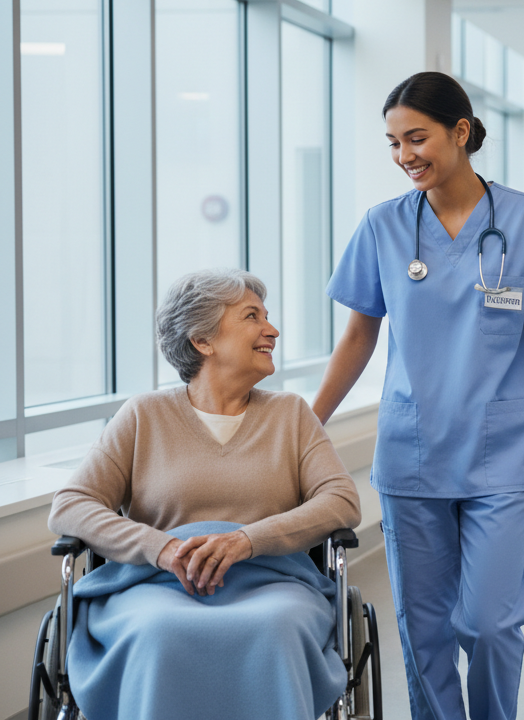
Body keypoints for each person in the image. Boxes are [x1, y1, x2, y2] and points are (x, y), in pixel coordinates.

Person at [314, 71, 524, 720]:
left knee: (490, 623)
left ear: (460, 133)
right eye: (392, 143)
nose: (405, 155)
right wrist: (304, 422)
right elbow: (358, 337)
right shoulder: (383, 227)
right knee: (425, 629)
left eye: (417, 137)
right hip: (413, 454)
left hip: (506, 453)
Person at [48, 269, 362, 720]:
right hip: (154, 584)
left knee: (275, 628)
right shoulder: (144, 416)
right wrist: (163, 548)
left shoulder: (290, 414)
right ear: (202, 341)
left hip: (271, 580)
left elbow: (340, 500)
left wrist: (246, 540)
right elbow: (71, 505)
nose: (271, 330)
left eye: (268, 317)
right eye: (252, 317)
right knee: (158, 630)